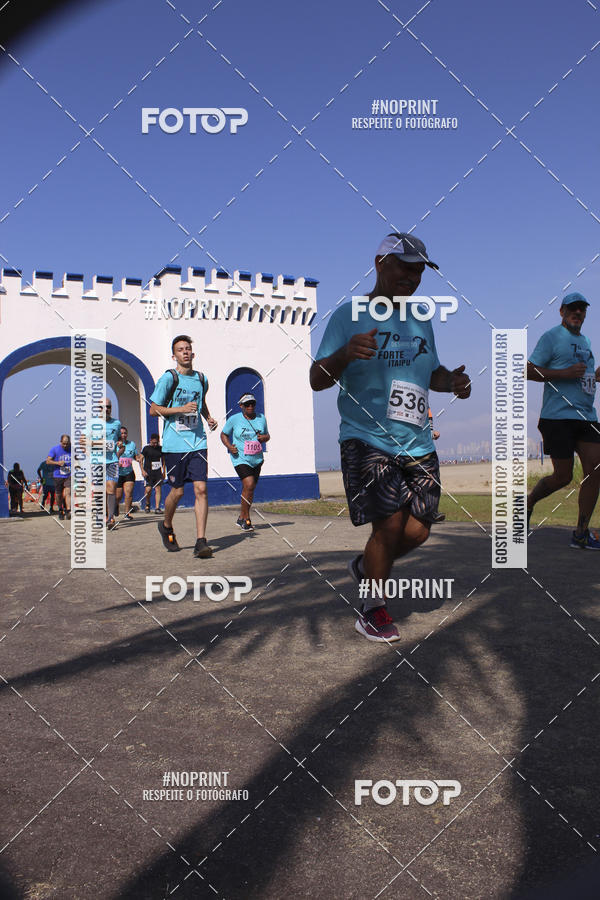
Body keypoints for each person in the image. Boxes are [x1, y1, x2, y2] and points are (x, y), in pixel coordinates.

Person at [310, 232, 471, 642]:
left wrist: (450, 380)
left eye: (419, 270)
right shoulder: (349, 314)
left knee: (417, 531)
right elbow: (317, 379)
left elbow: (429, 372)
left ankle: (367, 568)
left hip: (417, 441)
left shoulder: (420, 317)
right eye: (405, 267)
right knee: (389, 523)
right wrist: (345, 354)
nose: (413, 277)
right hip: (367, 437)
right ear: (381, 263)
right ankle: (373, 607)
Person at [527, 292, 600, 548]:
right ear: (561, 311)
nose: (578, 312)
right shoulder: (552, 337)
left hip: (587, 416)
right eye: (573, 308)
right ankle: (528, 502)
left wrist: (595, 375)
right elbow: (527, 369)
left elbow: (585, 376)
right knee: (563, 477)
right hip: (557, 417)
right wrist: (563, 373)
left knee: (595, 468)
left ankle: (581, 533)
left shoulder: (587, 341)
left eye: (582, 309)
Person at [149, 335, 217, 557]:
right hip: (174, 445)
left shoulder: (201, 378)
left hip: (197, 442)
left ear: (193, 354)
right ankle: (166, 525)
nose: (185, 352)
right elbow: (154, 409)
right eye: (180, 350)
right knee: (177, 492)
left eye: (188, 349)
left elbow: (200, 402)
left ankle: (201, 542)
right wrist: (179, 409)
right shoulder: (169, 379)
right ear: (174, 355)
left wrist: (208, 418)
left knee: (201, 489)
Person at [220, 393, 270, 531]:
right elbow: (223, 434)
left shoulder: (261, 418)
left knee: (250, 488)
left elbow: (267, 435)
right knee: (249, 484)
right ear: (241, 406)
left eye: (252, 403)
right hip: (240, 458)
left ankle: (241, 517)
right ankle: (246, 518)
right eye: (247, 404)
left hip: (257, 459)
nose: (250, 406)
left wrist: (263, 438)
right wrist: (229, 446)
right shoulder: (234, 419)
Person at [81, 399, 122, 529]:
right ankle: (101, 515)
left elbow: (119, 439)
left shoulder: (116, 423)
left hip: (112, 461)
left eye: (108, 407)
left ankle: (110, 519)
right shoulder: (92, 423)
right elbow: (82, 440)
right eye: (103, 407)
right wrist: (97, 444)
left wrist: (120, 444)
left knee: (111, 488)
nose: (106, 409)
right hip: (97, 461)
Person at [115, 426, 138, 520]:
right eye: (121, 433)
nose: (123, 435)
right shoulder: (114, 444)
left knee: (128, 493)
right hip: (117, 473)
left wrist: (139, 457)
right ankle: (115, 506)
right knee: (118, 496)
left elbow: (135, 456)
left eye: (125, 433)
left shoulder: (132, 444)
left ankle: (127, 513)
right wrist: (116, 463)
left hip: (129, 472)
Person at [46, 434, 72, 520]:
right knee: (58, 494)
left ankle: (68, 510)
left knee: (68, 493)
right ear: (60, 442)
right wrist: (57, 463)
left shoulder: (72, 449)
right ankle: (60, 509)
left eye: (67, 443)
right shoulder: (54, 449)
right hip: (58, 475)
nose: (65, 445)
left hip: (69, 474)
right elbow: (48, 461)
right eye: (64, 443)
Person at [139, 433, 164, 513]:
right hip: (148, 472)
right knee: (148, 489)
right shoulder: (146, 448)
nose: (155, 444)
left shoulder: (160, 449)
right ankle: (147, 503)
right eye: (153, 443)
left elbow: (163, 461)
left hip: (157, 472)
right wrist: (142, 470)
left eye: (157, 442)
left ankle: (157, 508)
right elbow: (141, 459)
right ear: (150, 440)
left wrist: (164, 471)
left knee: (158, 489)